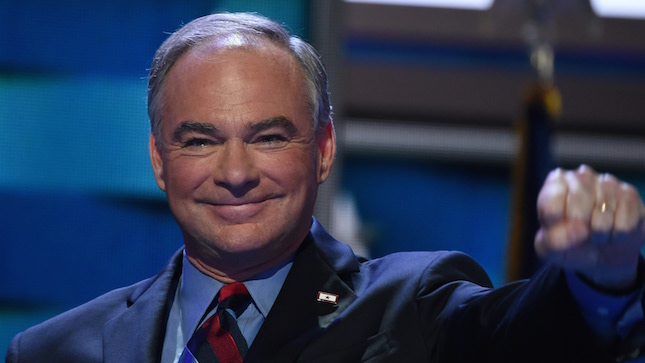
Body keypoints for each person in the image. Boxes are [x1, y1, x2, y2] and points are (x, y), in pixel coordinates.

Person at [6, 12, 645, 363]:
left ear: (323, 150)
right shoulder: (50, 353)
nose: (234, 173)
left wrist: (601, 279)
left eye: (269, 137)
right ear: (158, 158)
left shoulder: (414, 310)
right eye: (200, 140)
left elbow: (525, 342)